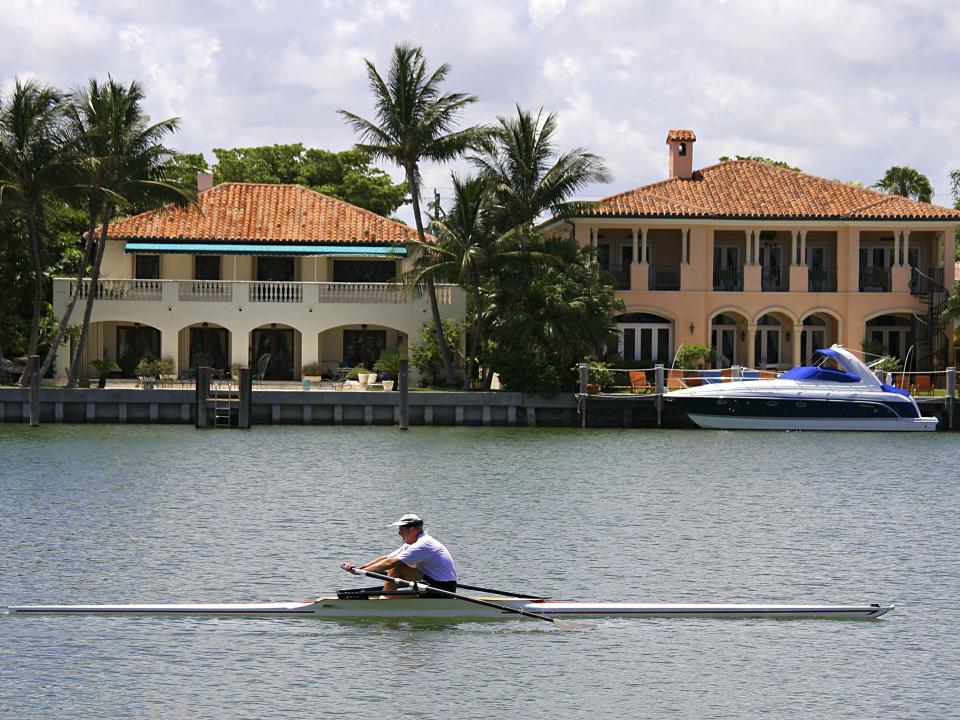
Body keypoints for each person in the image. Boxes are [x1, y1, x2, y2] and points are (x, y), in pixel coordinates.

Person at [341, 513, 458, 594]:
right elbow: (386, 558)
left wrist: (362, 572)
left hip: (443, 588)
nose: (398, 533)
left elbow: (390, 563)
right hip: (430, 583)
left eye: (401, 529)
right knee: (395, 566)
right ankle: (388, 597)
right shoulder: (412, 543)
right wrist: (359, 569)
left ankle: (385, 601)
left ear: (413, 530)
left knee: (396, 568)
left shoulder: (424, 544)